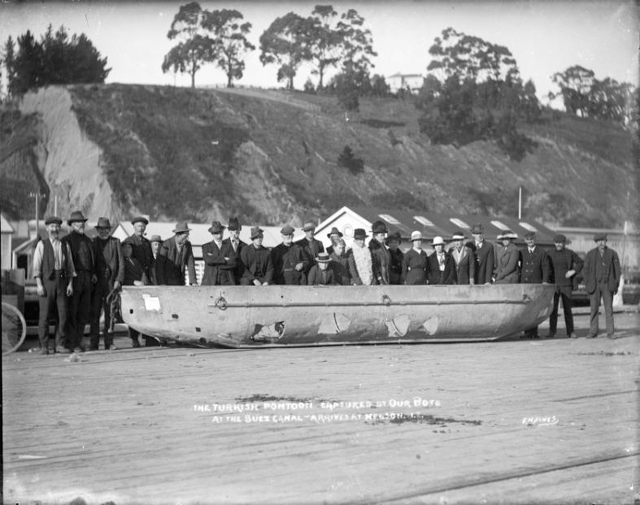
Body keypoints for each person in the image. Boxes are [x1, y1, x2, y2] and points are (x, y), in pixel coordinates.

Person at [32, 216, 75, 354]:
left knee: (62, 315)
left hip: (62, 282)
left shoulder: (64, 245)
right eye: (52, 226)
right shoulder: (41, 245)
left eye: (56, 226)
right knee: (44, 315)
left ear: (59, 228)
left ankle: (60, 344)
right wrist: (39, 285)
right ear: (47, 228)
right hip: (47, 283)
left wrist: (70, 284)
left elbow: (70, 267)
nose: (54, 229)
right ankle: (44, 346)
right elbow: (36, 267)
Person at [62, 210, 96, 353]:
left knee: (83, 313)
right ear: (72, 225)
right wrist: (68, 281)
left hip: (87, 279)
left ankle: (78, 341)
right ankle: (71, 343)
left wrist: (93, 273)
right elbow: (65, 264)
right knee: (72, 312)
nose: (80, 225)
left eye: (82, 222)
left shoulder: (88, 240)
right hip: (74, 279)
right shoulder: (66, 240)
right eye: (77, 223)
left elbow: (92, 260)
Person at [89, 217, 124, 351]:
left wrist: (118, 280)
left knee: (110, 314)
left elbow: (121, 264)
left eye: (106, 229)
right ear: (97, 230)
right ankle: (94, 343)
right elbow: (90, 262)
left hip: (111, 283)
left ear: (109, 230)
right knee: (95, 314)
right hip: (97, 283)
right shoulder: (93, 242)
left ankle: (109, 343)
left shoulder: (116, 242)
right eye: (101, 229)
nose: (103, 232)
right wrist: (92, 274)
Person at [583, 233, 621, 339]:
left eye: (603, 241)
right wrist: (588, 284)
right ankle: (593, 332)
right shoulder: (590, 254)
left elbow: (617, 271)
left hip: (607, 285)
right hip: (594, 285)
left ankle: (610, 333)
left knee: (609, 309)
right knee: (594, 309)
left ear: (606, 241)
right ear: (596, 242)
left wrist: (615, 284)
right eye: (599, 241)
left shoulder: (613, 254)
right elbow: (585, 271)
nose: (601, 243)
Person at [547, 234, 583, 339]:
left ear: (564, 243)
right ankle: (552, 331)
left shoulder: (569, 253)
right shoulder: (549, 253)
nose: (558, 245)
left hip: (566, 284)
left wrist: (573, 271)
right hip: (554, 284)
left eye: (560, 243)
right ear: (554, 243)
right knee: (553, 310)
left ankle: (571, 332)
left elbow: (581, 262)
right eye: (557, 243)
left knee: (567, 309)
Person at [519, 231, 552, 338]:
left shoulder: (541, 252)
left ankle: (534, 332)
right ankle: (527, 332)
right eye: (528, 240)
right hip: (525, 283)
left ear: (535, 240)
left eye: (532, 239)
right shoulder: (522, 252)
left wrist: (545, 281)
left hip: (536, 283)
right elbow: (519, 267)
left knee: (535, 309)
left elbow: (546, 267)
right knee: (526, 308)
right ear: (525, 241)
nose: (530, 241)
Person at [122, 238, 148, 348]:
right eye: (125, 248)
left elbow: (142, 273)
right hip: (128, 291)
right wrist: (133, 282)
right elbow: (122, 276)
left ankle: (141, 337)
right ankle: (134, 339)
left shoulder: (135, 261)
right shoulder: (122, 262)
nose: (127, 250)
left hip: (139, 291)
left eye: (129, 248)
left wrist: (143, 281)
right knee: (132, 315)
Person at [201, 221, 236, 286]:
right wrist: (224, 259)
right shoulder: (206, 247)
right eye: (216, 234)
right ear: (212, 234)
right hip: (210, 282)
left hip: (226, 281)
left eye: (221, 233)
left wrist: (214, 261)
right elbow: (208, 260)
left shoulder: (228, 246)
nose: (219, 236)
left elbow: (233, 262)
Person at [128, 216, 153, 281]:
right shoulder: (129, 241)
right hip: (134, 277)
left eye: (143, 226)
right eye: (139, 226)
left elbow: (151, 261)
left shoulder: (147, 242)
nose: (141, 229)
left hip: (147, 277)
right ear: (134, 227)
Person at [222, 217, 246, 284]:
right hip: (227, 278)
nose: (236, 231)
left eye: (238, 229)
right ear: (230, 231)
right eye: (233, 229)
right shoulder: (223, 244)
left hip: (241, 277)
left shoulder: (245, 246)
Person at [369, 220, 391, 285]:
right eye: (381, 235)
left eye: (384, 235)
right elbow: (374, 266)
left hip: (385, 279)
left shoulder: (384, 248)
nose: (383, 237)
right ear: (375, 235)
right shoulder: (372, 249)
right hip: (376, 281)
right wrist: (380, 279)